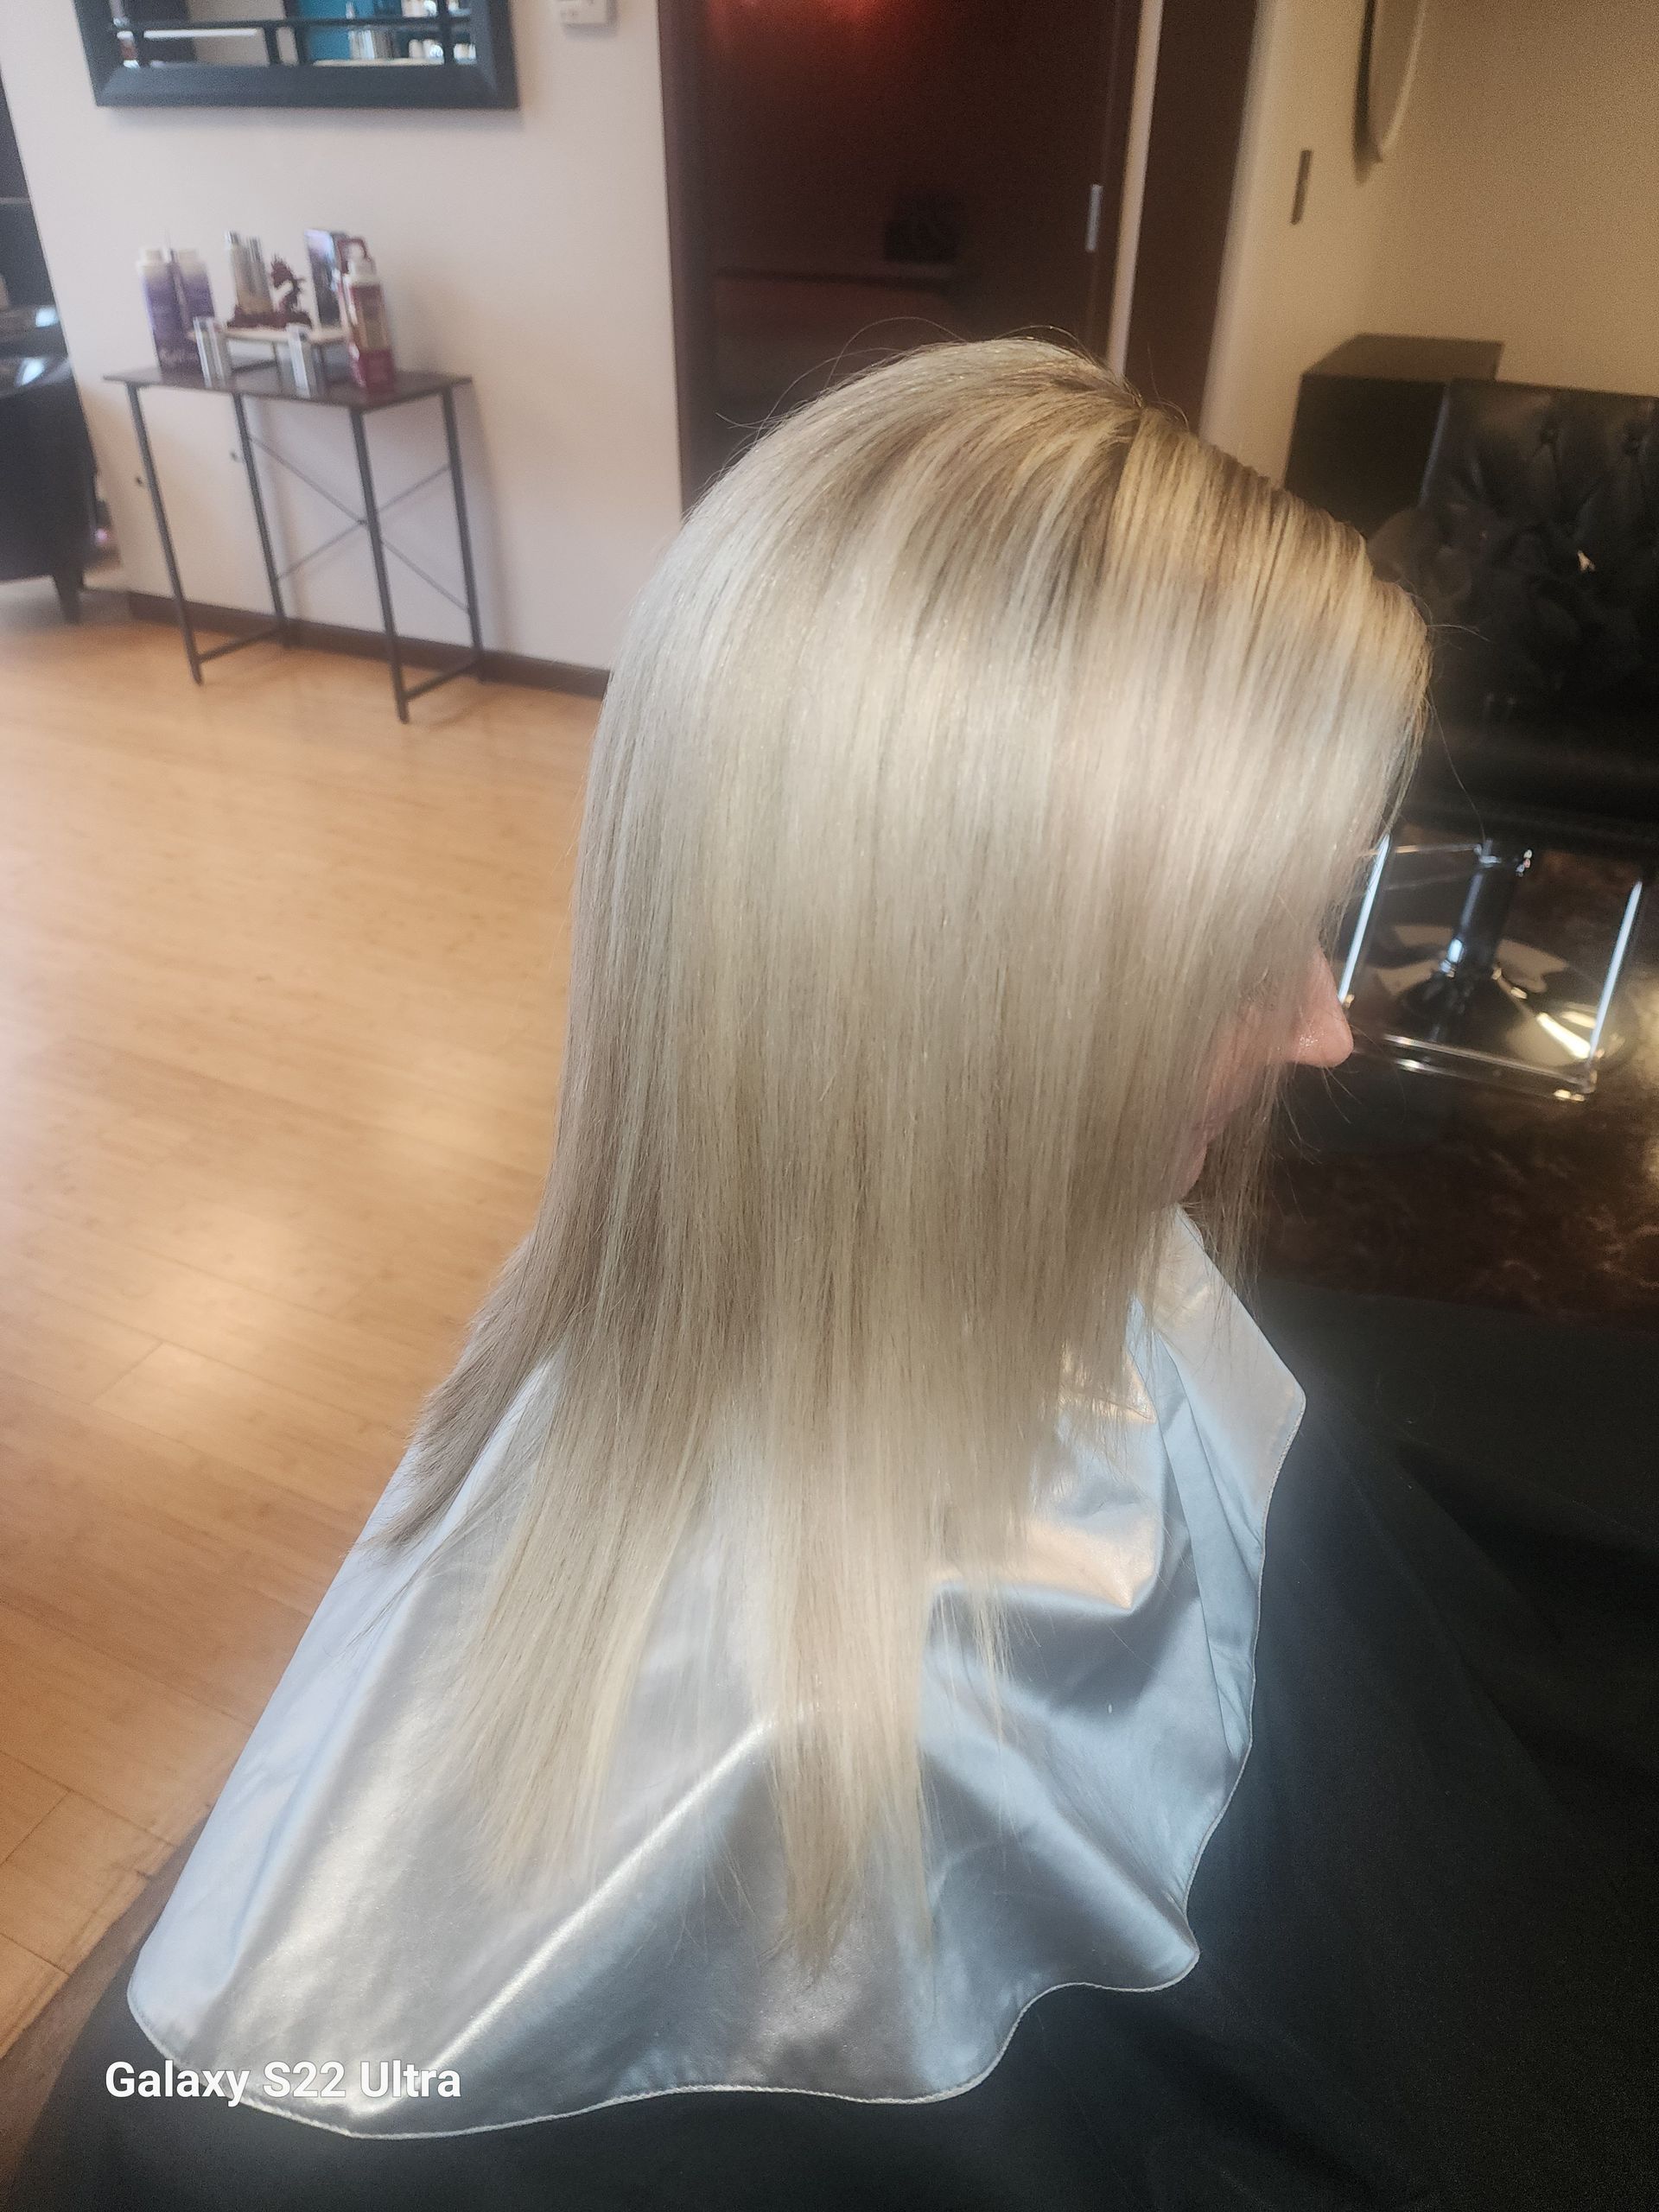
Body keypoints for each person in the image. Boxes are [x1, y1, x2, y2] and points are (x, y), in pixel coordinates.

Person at [16, 339, 1656, 2209]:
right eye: (1245, 949)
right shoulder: (710, 1786)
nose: (1322, 1027)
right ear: (965, 1013)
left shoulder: (963, 1244)